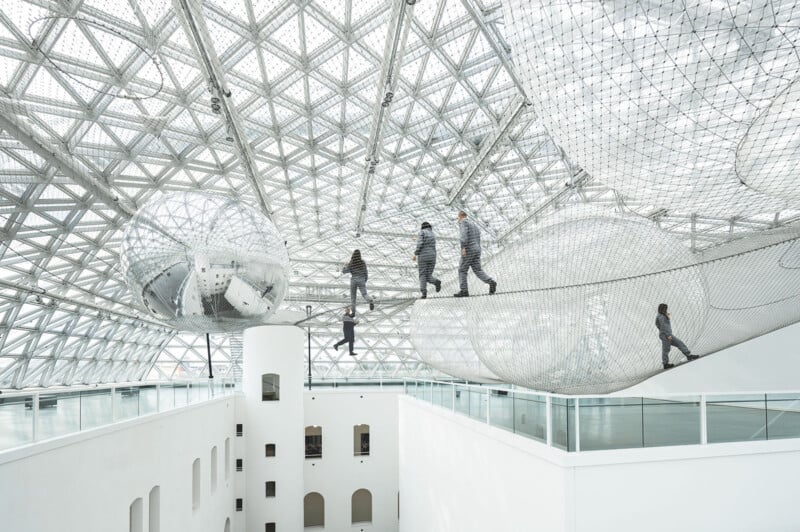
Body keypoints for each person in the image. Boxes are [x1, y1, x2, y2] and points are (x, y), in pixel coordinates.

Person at [454, 211, 496, 297]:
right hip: (477, 249)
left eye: (457, 218)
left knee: (462, 270)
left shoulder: (463, 222)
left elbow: (463, 236)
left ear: (460, 216)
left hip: (469, 248)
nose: (457, 220)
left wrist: (463, 248)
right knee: (477, 269)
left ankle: (464, 291)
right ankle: (490, 281)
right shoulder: (474, 225)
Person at [656, 303, 697, 369]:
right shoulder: (661, 317)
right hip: (666, 336)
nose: (666, 310)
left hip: (668, 334)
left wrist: (666, 316)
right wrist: (667, 335)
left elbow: (657, 324)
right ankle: (665, 364)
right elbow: (663, 327)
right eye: (665, 309)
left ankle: (688, 355)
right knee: (666, 349)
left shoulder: (661, 315)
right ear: (662, 309)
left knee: (679, 343)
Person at [413, 221, 441, 299]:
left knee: (422, 275)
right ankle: (436, 282)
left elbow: (420, 243)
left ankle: (424, 293)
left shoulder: (422, 232)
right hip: (432, 256)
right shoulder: (433, 234)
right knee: (428, 275)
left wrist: (416, 253)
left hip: (423, 256)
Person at [342, 249, 374, 315]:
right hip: (362, 279)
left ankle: (353, 312)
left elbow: (344, 271)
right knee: (364, 294)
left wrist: (345, 265)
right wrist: (364, 280)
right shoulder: (363, 263)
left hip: (354, 280)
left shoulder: (351, 263)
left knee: (353, 297)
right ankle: (370, 300)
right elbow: (366, 273)